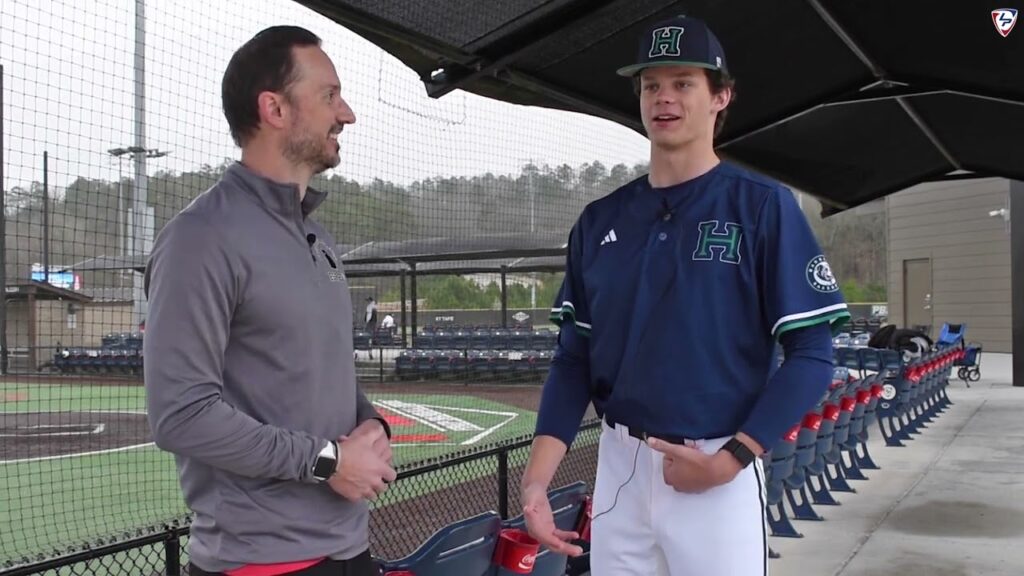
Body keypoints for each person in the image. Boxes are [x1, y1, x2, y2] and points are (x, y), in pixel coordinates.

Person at [519, 15, 849, 576]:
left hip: (716, 463)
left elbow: (813, 356)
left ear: (721, 96)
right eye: (651, 85)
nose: (663, 98)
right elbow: (574, 360)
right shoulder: (600, 221)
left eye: (683, 83)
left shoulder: (763, 207)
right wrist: (535, 482)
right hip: (621, 462)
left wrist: (733, 459)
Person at [143, 26, 395, 576]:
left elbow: (322, 369)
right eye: (329, 95)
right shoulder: (200, 238)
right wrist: (327, 461)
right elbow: (179, 415)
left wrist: (372, 423)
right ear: (274, 108)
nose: (346, 113)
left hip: (350, 547)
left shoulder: (320, 240)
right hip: (259, 564)